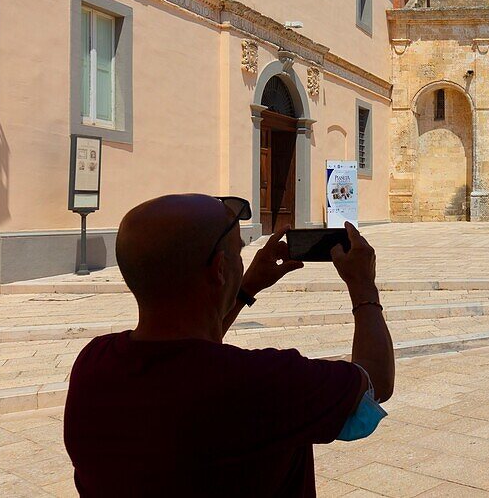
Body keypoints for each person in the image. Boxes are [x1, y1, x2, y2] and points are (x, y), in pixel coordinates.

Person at [64, 194, 394, 496]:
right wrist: (363, 287)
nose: (241, 260)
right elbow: (373, 383)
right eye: (237, 252)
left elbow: (189, 350)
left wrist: (246, 286)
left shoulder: (93, 365)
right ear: (220, 269)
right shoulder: (262, 382)